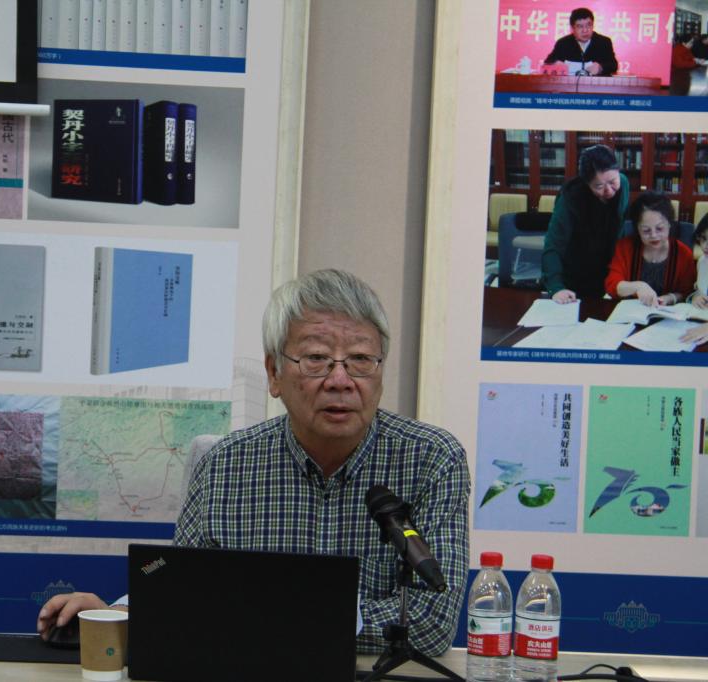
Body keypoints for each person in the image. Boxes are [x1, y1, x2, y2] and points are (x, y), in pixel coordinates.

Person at [38, 269, 471, 656]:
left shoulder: (431, 459)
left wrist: (262, 621)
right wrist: (116, 616)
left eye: (360, 360)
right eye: (316, 359)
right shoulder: (225, 465)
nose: (340, 380)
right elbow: (183, 594)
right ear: (273, 373)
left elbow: (432, 622)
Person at [542, 144, 630, 303]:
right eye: (599, 186)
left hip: (605, 268)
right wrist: (556, 287)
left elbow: (619, 227)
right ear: (586, 183)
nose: (609, 190)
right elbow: (553, 245)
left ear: (618, 171)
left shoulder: (623, 184)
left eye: (612, 181)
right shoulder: (571, 197)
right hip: (575, 270)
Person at [604, 191, 695, 306]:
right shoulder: (625, 248)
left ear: (669, 224)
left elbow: (688, 291)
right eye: (646, 230)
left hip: (666, 313)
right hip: (630, 312)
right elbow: (612, 284)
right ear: (637, 228)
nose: (654, 235)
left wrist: (670, 298)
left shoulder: (683, 253)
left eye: (659, 228)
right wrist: (638, 286)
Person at [544, 8, 618, 76]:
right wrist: (555, 63)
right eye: (580, 26)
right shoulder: (563, 43)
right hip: (569, 85)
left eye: (589, 25)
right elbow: (548, 61)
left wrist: (601, 68)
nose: (585, 30)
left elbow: (614, 65)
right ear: (572, 28)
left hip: (596, 85)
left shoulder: (603, 42)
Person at [691, 215, 708, 309]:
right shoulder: (702, 262)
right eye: (704, 238)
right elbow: (698, 292)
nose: (705, 246)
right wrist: (695, 298)